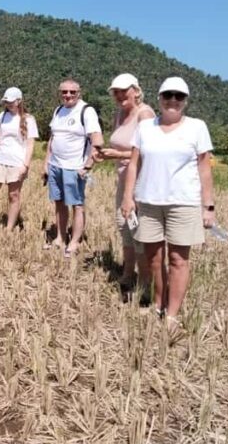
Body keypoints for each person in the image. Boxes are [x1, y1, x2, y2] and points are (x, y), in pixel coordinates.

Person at [121, 77, 215, 330]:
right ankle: (158, 304)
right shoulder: (146, 127)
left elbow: (204, 168)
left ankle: (172, 314)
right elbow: (134, 164)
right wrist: (128, 196)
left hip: (182, 203)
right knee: (152, 258)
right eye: (168, 95)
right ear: (160, 97)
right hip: (149, 202)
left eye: (179, 96)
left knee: (178, 259)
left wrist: (208, 207)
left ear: (185, 101)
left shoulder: (197, 127)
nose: (173, 100)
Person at [95, 74, 155, 298]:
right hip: (123, 178)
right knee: (124, 226)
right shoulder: (119, 114)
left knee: (139, 230)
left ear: (136, 91)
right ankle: (128, 273)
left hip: (141, 181)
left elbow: (149, 151)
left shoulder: (145, 114)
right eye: (116, 91)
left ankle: (145, 282)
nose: (119, 95)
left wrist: (117, 154)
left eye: (124, 90)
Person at [44, 79, 103, 258]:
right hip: (55, 165)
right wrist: (46, 162)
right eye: (64, 92)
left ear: (79, 93)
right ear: (59, 93)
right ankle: (60, 238)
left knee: (77, 205)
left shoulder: (86, 111)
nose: (68, 95)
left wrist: (87, 166)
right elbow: (52, 139)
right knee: (59, 203)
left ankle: (75, 241)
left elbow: (97, 140)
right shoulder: (58, 110)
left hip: (74, 167)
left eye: (72, 92)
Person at [0, 87, 39, 231]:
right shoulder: (2, 116)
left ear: (19, 101)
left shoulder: (29, 119)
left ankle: (9, 228)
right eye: (6, 102)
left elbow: (30, 144)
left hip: (17, 163)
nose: (8, 104)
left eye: (11, 101)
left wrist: (25, 165)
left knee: (14, 196)